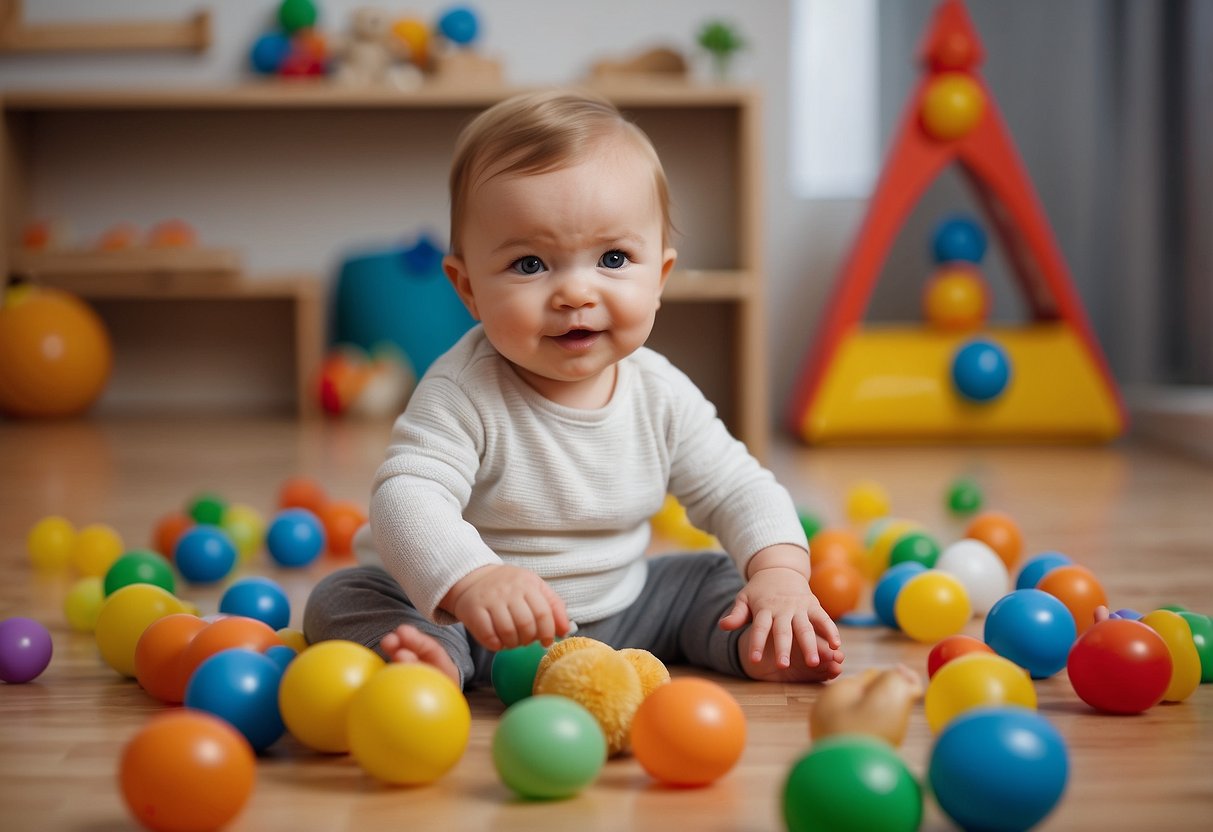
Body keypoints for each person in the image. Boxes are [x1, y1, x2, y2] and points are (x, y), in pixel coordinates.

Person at [304, 89, 844, 690]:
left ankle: (765, 640)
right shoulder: (464, 389)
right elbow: (406, 497)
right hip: (473, 622)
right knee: (345, 595)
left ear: (659, 277)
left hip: (624, 615)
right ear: (468, 289)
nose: (576, 294)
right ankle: (429, 660)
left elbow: (738, 488)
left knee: (720, 581)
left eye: (613, 258)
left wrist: (782, 575)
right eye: (531, 264)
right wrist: (472, 580)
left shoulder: (660, 394)